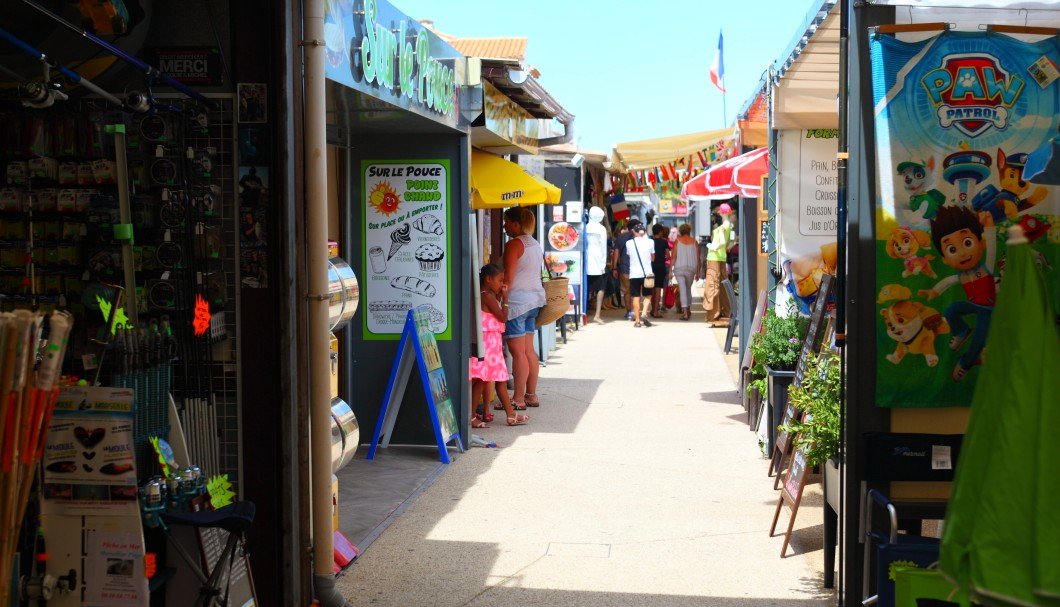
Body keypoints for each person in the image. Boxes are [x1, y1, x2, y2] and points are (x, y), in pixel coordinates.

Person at [470, 264, 529, 427]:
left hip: (491, 344)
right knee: (482, 380)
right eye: (500, 280)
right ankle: (472, 416)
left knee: (496, 381)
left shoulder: (486, 296)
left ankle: (510, 415)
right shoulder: (487, 297)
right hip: (489, 346)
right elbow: (503, 317)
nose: (502, 284)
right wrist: (506, 298)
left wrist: (501, 298)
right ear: (488, 280)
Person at [502, 207, 546, 408]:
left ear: (516, 224)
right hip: (535, 301)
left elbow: (508, 279)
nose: (504, 225)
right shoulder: (535, 244)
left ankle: (518, 399)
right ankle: (531, 395)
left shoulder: (514, 245)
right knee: (529, 351)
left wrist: (500, 299)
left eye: (506, 221)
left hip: (517, 304)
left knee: (517, 353)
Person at [704, 202, 736, 324]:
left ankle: (713, 315)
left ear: (721, 213)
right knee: (723, 285)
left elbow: (722, 242)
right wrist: (722, 248)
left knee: (712, 285)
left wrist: (713, 246)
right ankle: (725, 311)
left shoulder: (722, 227)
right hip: (722, 257)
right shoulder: (730, 226)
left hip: (714, 257)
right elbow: (730, 243)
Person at [625, 222, 655, 327]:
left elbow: (629, 256)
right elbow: (653, 258)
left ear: (634, 231)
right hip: (647, 273)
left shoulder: (629, 243)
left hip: (634, 273)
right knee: (648, 295)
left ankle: (637, 321)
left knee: (636, 297)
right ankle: (644, 313)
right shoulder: (650, 242)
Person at [670, 223, 701, 321]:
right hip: (691, 269)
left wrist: (670, 270)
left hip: (679, 268)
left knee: (682, 289)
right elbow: (698, 259)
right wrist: (698, 272)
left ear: (681, 231)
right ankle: (688, 309)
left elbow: (673, 257)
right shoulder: (694, 242)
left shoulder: (677, 241)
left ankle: (685, 313)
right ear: (689, 231)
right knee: (688, 289)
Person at [585, 206, 609, 324]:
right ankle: (597, 314)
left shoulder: (585, 226)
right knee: (600, 288)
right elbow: (603, 247)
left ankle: (583, 313)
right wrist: (603, 264)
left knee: (585, 287)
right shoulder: (601, 229)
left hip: (586, 258)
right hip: (597, 259)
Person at [611, 220, 635, 320]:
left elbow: (616, 253)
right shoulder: (639, 238)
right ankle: (635, 311)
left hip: (624, 268)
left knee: (626, 292)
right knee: (636, 292)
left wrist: (614, 267)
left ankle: (629, 312)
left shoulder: (620, 238)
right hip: (637, 269)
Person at [649, 224, 670, 318]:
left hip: (650, 267)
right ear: (660, 232)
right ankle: (655, 311)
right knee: (658, 289)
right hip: (660, 267)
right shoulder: (664, 242)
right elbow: (668, 256)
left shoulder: (649, 242)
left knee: (651, 289)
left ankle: (652, 308)